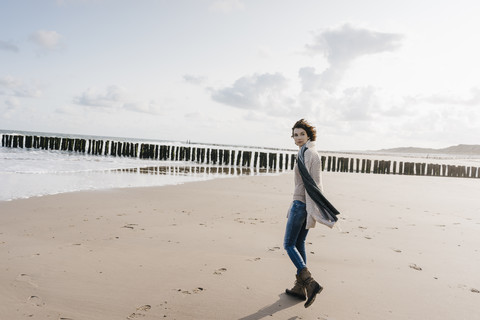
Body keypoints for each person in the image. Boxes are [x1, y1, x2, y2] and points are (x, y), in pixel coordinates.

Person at [284, 119, 327, 308]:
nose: (299, 137)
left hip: (301, 203)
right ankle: (300, 288)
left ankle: (309, 282)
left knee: (288, 244)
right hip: (302, 203)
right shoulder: (305, 152)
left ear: (309, 135)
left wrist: (308, 207)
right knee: (299, 242)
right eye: (296, 135)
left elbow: (314, 185)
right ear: (292, 138)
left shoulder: (309, 154)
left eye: (302, 134)